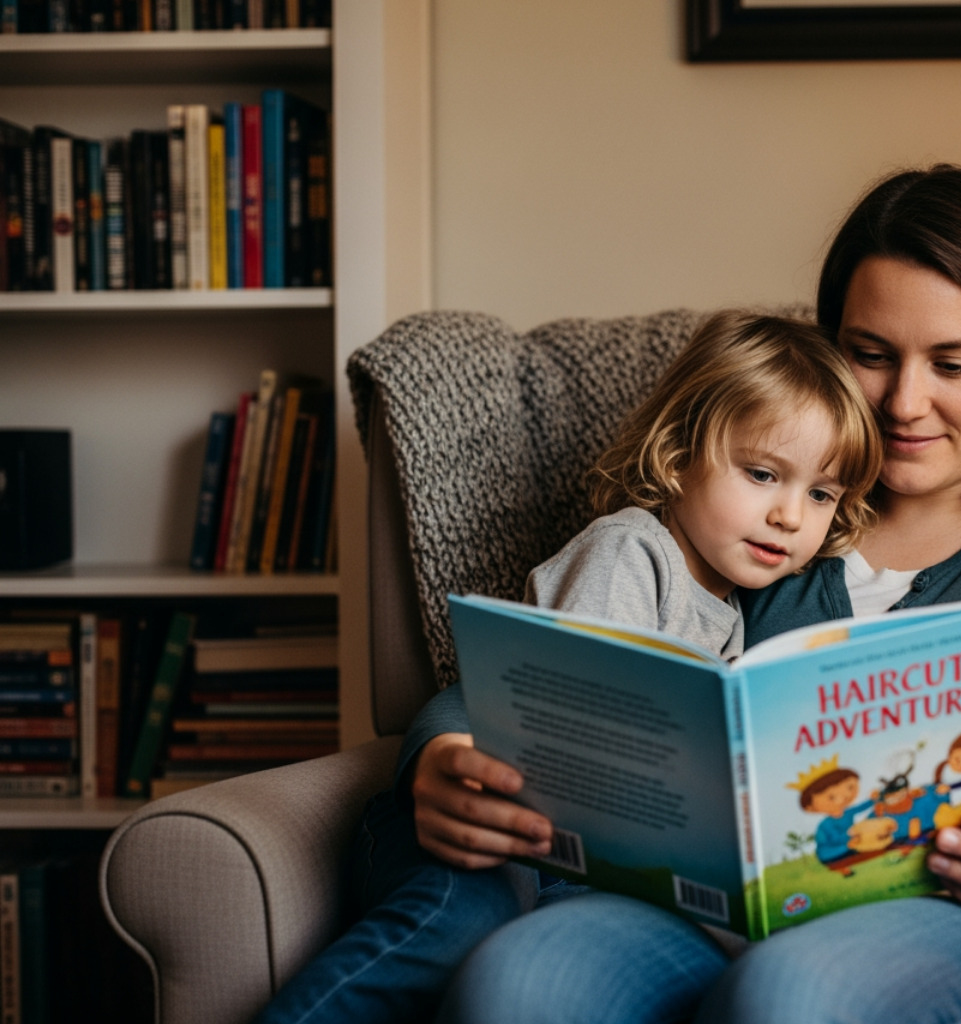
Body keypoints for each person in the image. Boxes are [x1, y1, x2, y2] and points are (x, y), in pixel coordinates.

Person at [406, 164, 961, 1024]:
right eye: (870, 356)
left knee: (793, 993)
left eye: (953, 364)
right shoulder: (764, 527)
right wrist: (437, 753)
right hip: (736, 917)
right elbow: (542, 675)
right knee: (519, 978)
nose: (904, 403)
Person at [253, 311, 882, 1024]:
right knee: (454, 925)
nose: (791, 516)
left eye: (821, 493)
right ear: (677, 456)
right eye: (763, 474)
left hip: (563, 858)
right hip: (475, 820)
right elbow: (581, 731)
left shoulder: (734, 610)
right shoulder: (631, 552)